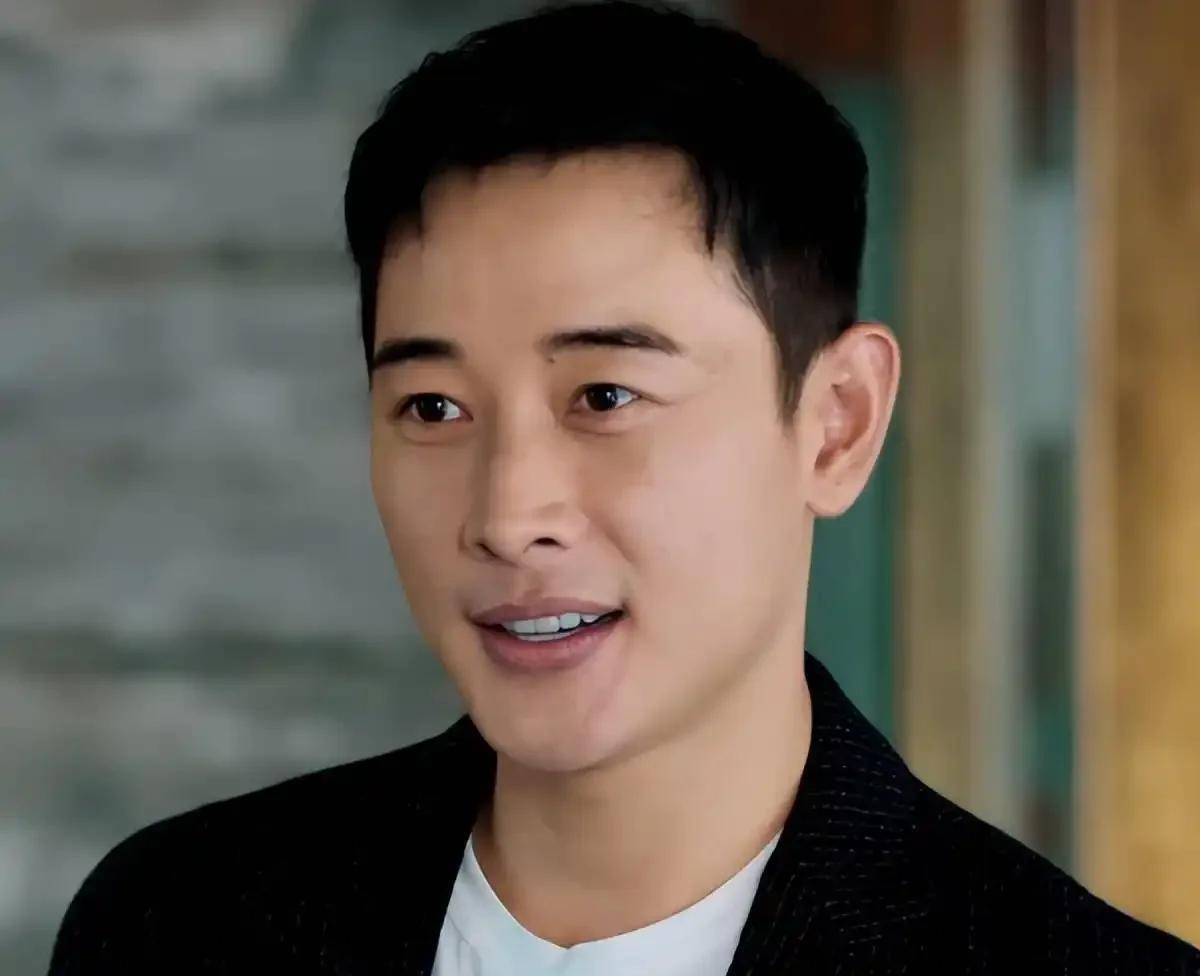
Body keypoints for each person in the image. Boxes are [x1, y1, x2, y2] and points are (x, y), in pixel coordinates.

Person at [47, 1, 1200, 973]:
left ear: (836, 422)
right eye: (433, 408)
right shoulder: (175, 924)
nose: (508, 517)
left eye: (604, 395)